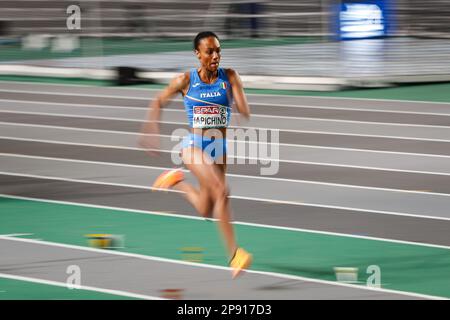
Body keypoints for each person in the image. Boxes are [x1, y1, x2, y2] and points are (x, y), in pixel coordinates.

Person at [139, 31, 252, 278]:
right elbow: (158, 100)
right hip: (193, 146)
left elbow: (245, 111)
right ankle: (235, 254)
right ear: (197, 54)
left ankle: (176, 181)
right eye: (209, 51)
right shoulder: (185, 80)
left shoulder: (229, 76)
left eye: (218, 50)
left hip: (219, 149)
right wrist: (151, 127)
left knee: (205, 208)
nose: (215, 56)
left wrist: (240, 95)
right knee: (222, 190)